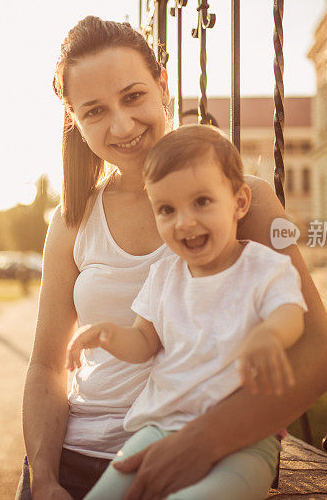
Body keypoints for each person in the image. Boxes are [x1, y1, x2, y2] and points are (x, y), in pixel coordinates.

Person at [19, 16, 327, 500]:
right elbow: (47, 365)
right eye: (95, 111)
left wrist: (203, 442)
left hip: (206, 457)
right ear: (76, 121)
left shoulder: (244, 201)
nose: (122, 125)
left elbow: (318, 354)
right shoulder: (71, 222)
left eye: (133, 97)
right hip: (77, 457)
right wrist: (43, 478)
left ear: (162, 86)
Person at [66, 125, 307, 499]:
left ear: (240, 202)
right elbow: (144, 340)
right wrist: (108, 335)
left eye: (202, 202)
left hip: (244, 442)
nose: (185, 222)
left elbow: (291, 311)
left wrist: (269, 334)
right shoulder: (164, 275)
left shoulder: (261, 266)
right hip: (158, 428)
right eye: (166, 209)